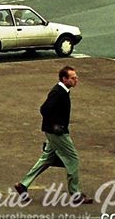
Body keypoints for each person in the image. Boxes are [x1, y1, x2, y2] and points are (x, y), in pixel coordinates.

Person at [14, 66, 93, 204]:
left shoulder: (62, 91)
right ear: (64, 79)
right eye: (73, 78)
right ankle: (76, 194)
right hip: (57, 133)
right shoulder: (58, 93)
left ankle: (23, 185)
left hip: (53, 131)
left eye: (76, 77)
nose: (76, 80)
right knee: (72, 159)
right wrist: (54, 125)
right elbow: (44, 109)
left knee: (46, 159)